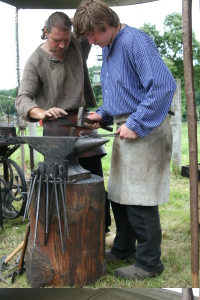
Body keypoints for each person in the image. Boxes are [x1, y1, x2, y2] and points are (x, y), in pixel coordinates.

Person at [73, 0, 177, 280]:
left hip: (147, 127)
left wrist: (136, 123)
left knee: (139, 199)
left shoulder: (134, 41)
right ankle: (123, 250)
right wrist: (103, 114)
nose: (91, 42)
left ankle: (149, 263)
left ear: (106, 25)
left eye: (92, 35)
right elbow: (124, 94)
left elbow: (164, 86)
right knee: (119, 195)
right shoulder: (109, 48)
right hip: (126, 126)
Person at [15, 11, 115, 246]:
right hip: (55, 132)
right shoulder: (35, 62)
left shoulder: (78, 44)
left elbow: (87, 17)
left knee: (94, 181)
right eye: (56, 40)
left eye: (66, 40)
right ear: (45, 32)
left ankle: (102, 230)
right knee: (61, 187)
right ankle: (64, 234)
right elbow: (22, 99)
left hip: (83, 125)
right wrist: (42, 112)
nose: (62, 45)